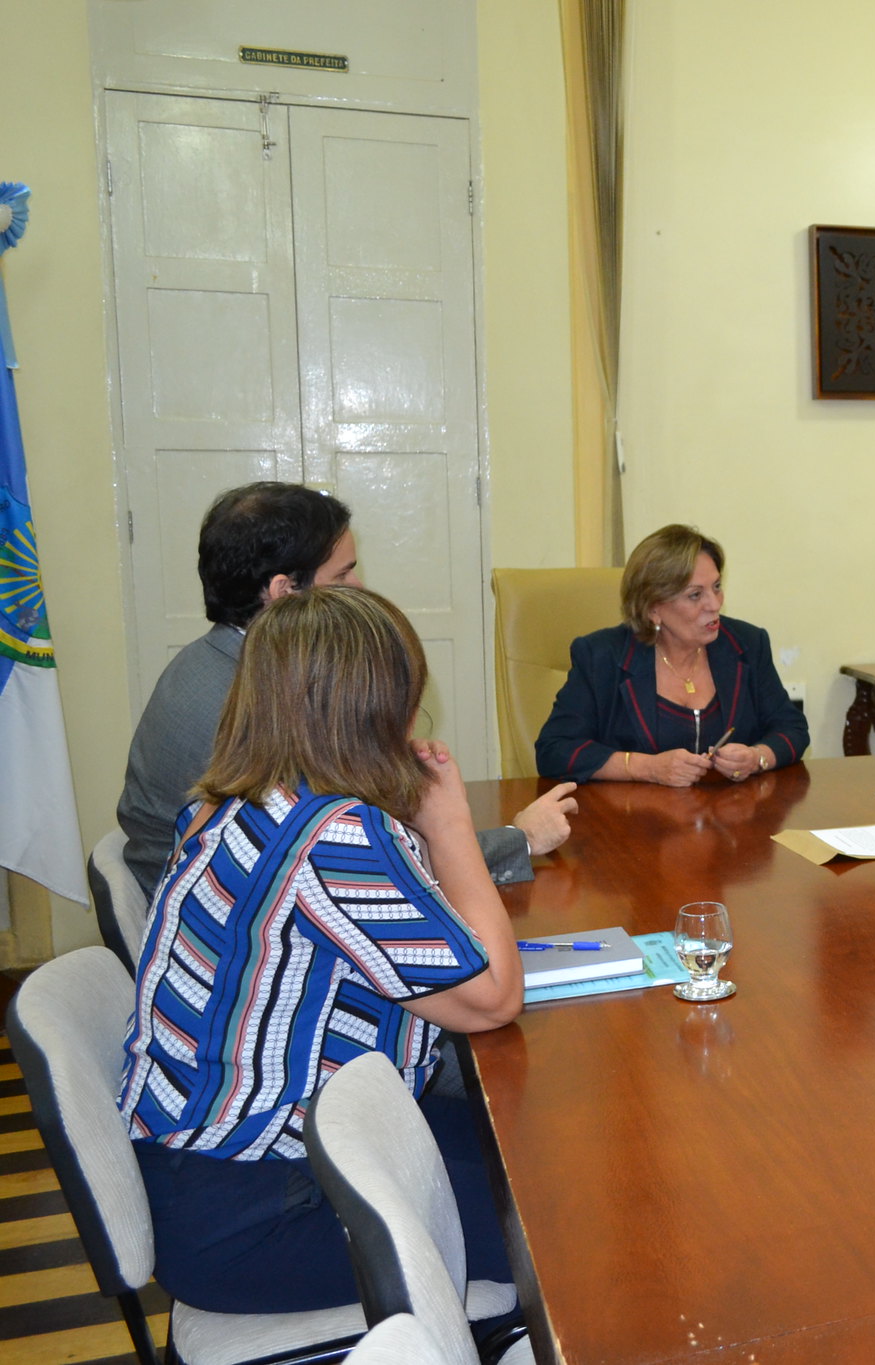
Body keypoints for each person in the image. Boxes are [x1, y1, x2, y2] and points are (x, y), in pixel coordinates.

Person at [118, 587, 523, 1313]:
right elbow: (492, 997)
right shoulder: (334, 836)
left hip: (215, 1167)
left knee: (530, 1149)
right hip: (261, 1209)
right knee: (553, 1224)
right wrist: (451, 825)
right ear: (372, 708)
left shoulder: (231, 801)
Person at [116, 481, 576, 894]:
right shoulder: (265, 708)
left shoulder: (206, 660)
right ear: (284, 592)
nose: (358, 586)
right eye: (342, 575)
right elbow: (363, 866)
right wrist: (521, 840)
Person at [535, 523, 808, 784]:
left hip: (731, 820)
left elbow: (792, 728)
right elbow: (554, 751)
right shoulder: (601, 657)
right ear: (653, 608)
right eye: (694, 595)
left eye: (716, 587)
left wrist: (757, 757)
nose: (714, 605)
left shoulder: (747, 644)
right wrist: (648, 768)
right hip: (632, 822)